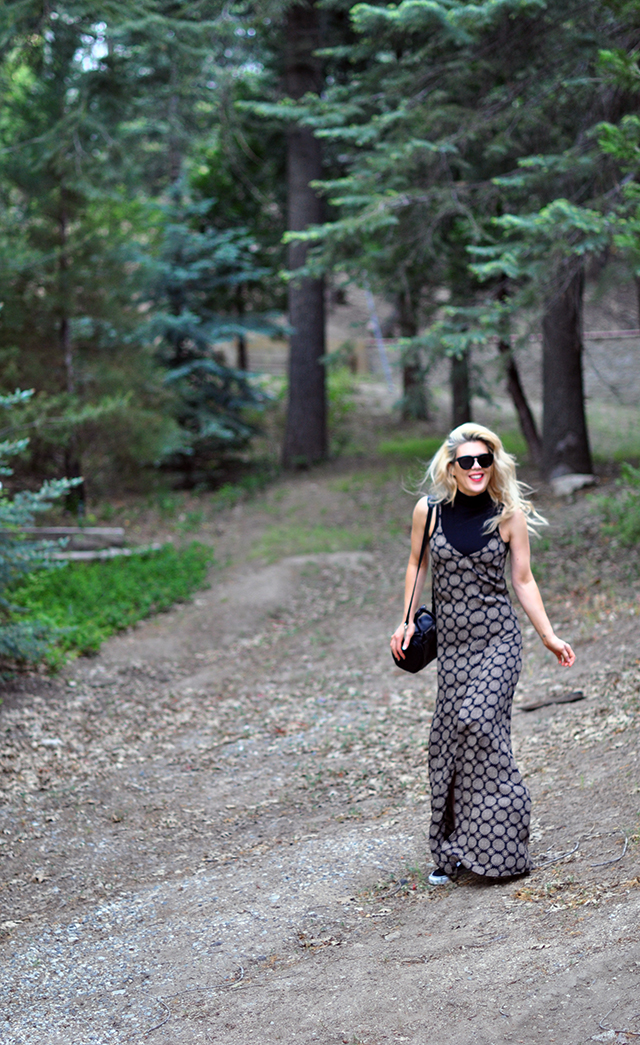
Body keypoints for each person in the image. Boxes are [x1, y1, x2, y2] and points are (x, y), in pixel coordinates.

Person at [390, 423, 575, 885]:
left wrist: (548, 635)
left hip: (498, 640)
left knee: (476, 721)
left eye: (484, 460)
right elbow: (416, 565)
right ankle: (453, 852)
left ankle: (503, 841)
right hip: (452, 648)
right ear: (450, 467)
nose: (476, 468)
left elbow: (524, 580)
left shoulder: (507, 514)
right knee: (445, 743)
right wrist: (407, 619)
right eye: (466, 461)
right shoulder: (427, 512)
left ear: (494, 464)